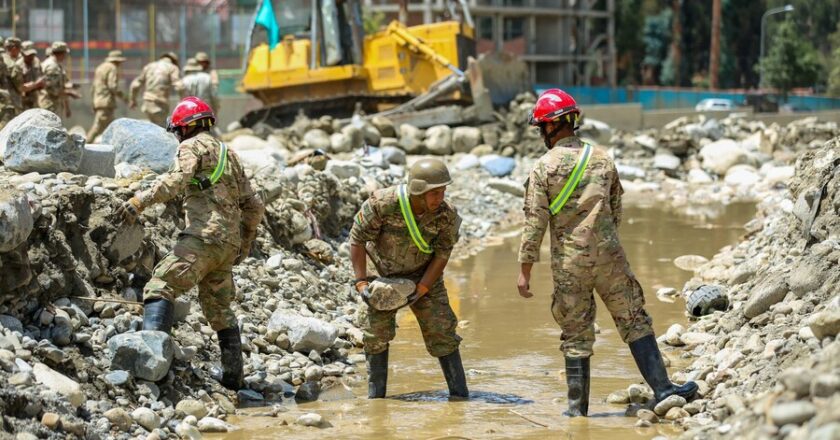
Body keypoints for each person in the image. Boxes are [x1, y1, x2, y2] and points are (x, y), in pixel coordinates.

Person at [517, 89, 697, 417]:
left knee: (575, 334)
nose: (542, 133)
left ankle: (577, 413)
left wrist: (525, 270)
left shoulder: (543, 168)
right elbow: (616, 212)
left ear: (553, 126)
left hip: (569, 265)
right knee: (634, 320)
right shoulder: (602, 158)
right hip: (610, 259)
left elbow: (534, 224)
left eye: (542, 127)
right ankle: (663, 389)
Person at [115, 97, 265, 390]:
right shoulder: (229, 153)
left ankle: (152, 369)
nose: (177, 137)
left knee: (160, 286)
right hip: (226, 248)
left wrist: (139, 201)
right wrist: (243, 245)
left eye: (178, 131)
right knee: (220, 310)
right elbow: (255, 205)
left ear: (186, 128)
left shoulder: (190, 147)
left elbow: (175, 181)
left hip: (202, 239)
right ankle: (234, 380)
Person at [349, 158, 468, 399]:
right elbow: (357, 238)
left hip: (425, 275)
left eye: (443, 191)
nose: (440, 198)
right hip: (382, 275)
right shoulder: (383, 203)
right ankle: (376, 400)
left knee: (442, 331)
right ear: (417, 191)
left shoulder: (446, 215)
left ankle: (460, 398)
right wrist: (361, 282)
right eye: (434, 193)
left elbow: (443, 253)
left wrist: (424, 286)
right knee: (375, 335)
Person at [129, 52, 185, 127]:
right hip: (160, 104)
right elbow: (180, 86)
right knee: (160, 129)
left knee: (149, 127)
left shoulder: (149, 66)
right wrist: (181, 102)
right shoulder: (172, 67)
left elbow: (135, 85)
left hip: (147, 103)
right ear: (174, 61)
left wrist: (133, 100)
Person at [86, 50, 127, 142]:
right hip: (106, 102)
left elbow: (93, 87)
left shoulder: (100, 68)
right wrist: (123, 96)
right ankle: (84, 145)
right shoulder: (112, 68)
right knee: (98, 127)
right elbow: (112, 86)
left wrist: (93, 102)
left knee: (109, 127)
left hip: (98, 101)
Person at [38, 41, 72, 120]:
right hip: (49, 106)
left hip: (52, 105)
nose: (65, 56)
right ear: (61, 53)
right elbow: (52, 89)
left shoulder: (55, 65)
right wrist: (67, 92)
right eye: (65, 54)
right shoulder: (52, 66)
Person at [18, 41, 44, 110]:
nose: (31, 57)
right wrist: (35, 85)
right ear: (22, 53)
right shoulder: (18, 66)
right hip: (23, 104)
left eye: (33, 54)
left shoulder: (36, 61)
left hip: (36, 101)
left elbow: (41, 76)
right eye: (28, 55)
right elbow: (19, 88)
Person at [3, 37, 24, 116]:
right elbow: (20, 87)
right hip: (10, 106)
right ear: (14, 48)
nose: (19, 52)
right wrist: (35, 85)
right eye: (19, 49)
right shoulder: (12, 65)